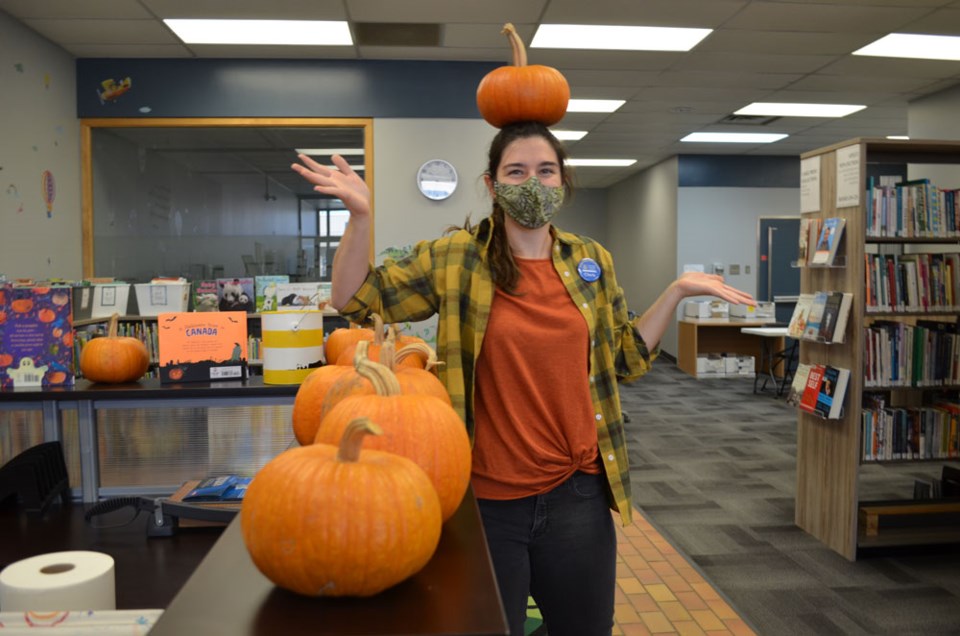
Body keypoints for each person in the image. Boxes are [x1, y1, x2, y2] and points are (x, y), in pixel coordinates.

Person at [291, 121, 754, 636]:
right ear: (491, 185)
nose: (532, 183)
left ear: (562, 181)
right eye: (516, 171)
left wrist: (675, 292)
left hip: (579, 494)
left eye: (545, 171)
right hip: (489, 499)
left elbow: (626, 358)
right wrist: (360, 218)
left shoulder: (590, 261)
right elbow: (356, 296)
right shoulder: (457, 258)